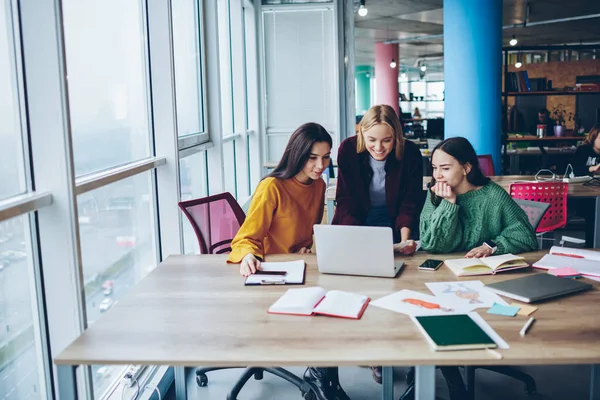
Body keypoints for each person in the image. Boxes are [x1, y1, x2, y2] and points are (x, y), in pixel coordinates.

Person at [227, 122, 350, 400]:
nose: (321, 165)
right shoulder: (272, 187)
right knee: (322, 314)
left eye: (326, 156)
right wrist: (248, 254)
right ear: (298, 154)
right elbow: (246, 237)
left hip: (300, 271)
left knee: (336, 303)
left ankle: (325, 378)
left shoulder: (319, 186)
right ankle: (321, 380)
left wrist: (305, 248)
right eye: (313, 158)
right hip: (270, 276)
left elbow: (307, 232)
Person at [420, 136, 538, 256]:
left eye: (445, 168)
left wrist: (491, 247)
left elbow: (526, 237)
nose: (437, 175)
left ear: (466, 168)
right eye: (435, 168)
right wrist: (448, 203)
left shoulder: (494, 195)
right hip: (442, 269)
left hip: (484, 269)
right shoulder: (435, 193)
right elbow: (430, 245)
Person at [333, 104, 424, 252]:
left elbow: (410, 201)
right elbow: (346, 200)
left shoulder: (410, 153)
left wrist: (405, 241)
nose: (378, 147)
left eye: (387, 140)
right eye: (372, 140)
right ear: (362, 132)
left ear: (396, 136)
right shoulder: (348, 149)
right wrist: (351, 238)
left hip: (395, 221)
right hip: (357, 220)